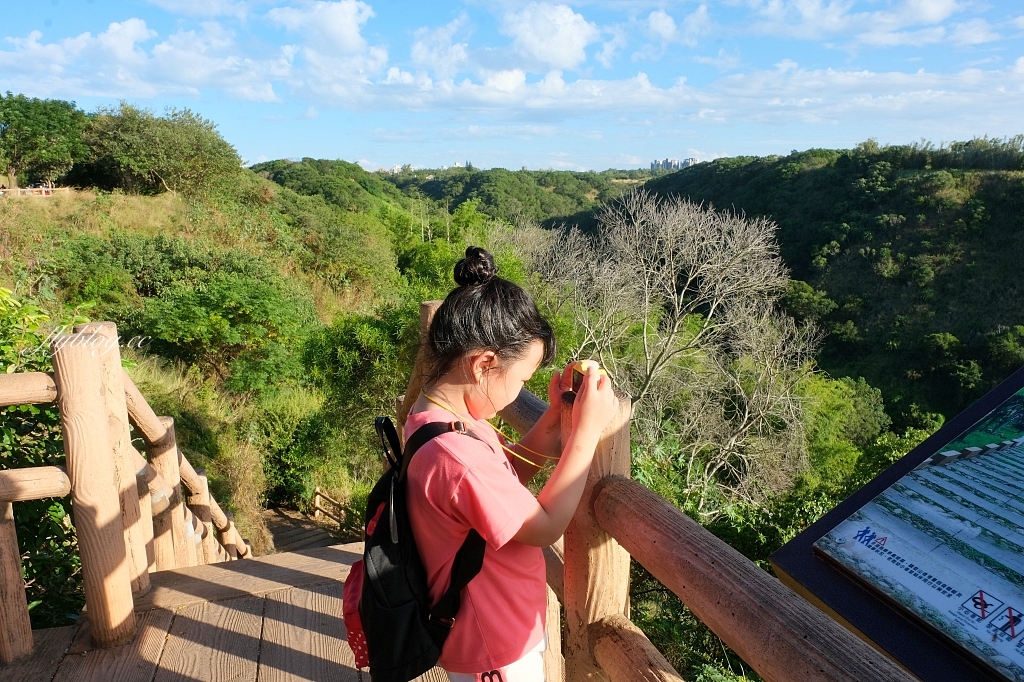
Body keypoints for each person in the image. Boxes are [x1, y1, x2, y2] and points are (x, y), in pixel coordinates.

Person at [405, 246, 617, 682]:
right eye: (522, 379)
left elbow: (501, 482)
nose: (522, 390)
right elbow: (542, 526)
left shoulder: (441, 418)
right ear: (484, 364)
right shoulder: (455, 456)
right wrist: (586, 434)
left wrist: (552, 418)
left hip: (491, 628)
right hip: (493, 646)